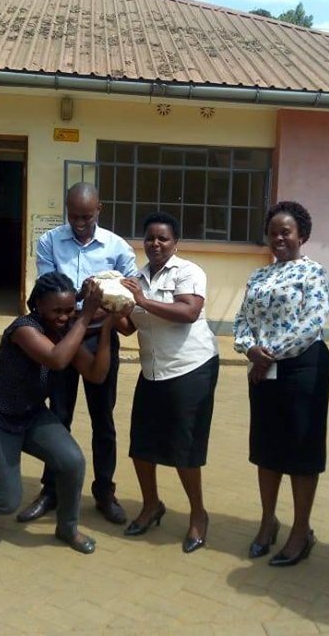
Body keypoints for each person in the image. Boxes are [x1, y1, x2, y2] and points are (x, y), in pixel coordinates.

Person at [0, 273, 117, 554]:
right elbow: (56, 359)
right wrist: (85, 317)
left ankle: (67, 528)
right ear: (38, 306)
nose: (64, 317)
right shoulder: (23, 328)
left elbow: (96, 374)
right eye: (57, 311)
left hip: (31, 415)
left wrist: (106, 328)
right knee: (5, 501)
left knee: (72, 461)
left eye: (69, 310)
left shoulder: (63, 333)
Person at [17, 182, 137, 525]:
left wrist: (90, 309)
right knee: (59, 417)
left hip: (100, 342)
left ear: (100, 208)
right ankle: (51, 490)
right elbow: (49, 294)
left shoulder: (117, 247)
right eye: (74, 216)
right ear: (66, 210)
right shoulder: (50, 241)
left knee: (104, 420)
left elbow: (129, 299)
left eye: (87, 215)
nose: (80, 222)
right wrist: (90, 304)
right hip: (61, 340)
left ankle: (104, 492)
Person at [233, 201, 329, 566]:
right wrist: (250, 349)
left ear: (301, 235)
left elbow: (311, 323)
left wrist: (267, 354)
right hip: (262, 370)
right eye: (273, 232)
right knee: (266, 446)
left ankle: (301, 530)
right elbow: (242, 319)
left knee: (301, 451)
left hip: (302, 369)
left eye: (286, 232)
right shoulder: (258, 277)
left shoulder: (314, 274)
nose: (279, 238)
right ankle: (267, 521)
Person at [117, 212, 220, 554]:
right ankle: (151, 506)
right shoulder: (137, 278)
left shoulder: (189, 272)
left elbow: (188, 312)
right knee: (141, 444)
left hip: (191, 368)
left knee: (184, 448)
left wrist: (142, 300)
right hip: (153, 371)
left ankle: (198, 514)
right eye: (149, 238)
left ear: (175, 243)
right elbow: (130, 327)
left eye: (163, 238)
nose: (155, 244)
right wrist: (104, 304)